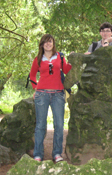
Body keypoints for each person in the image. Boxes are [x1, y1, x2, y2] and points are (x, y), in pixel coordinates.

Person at [29, 34, 72, 162]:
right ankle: (38, 154)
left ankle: (57, 154)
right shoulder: (38, 59)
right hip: (42, 94)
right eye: (45, 42)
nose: (48, 44)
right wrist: (35, 88)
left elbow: (67, 70)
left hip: (58, 94)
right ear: (42, 44)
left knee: (59, 125)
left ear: (53, 43)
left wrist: (73, 60)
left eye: (50, 42)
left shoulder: (60, 56)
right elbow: (32, 76)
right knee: (40, 125)